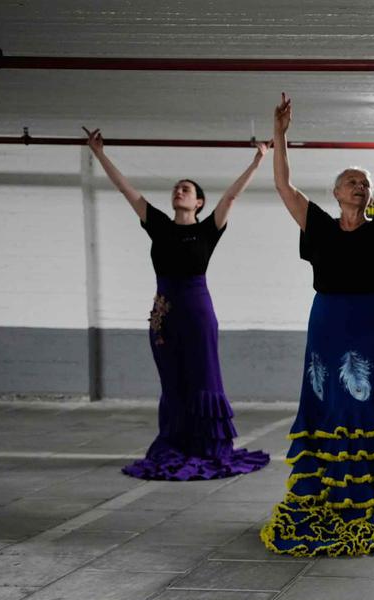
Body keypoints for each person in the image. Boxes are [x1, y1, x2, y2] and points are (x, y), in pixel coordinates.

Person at [259, 93, 374, 556]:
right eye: (350, 182)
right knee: (327, 396)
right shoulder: (319, 226)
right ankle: (328, 490)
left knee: (372, 397)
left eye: (364, 183)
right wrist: (280, 136)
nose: (359, 187)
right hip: (326, 320)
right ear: (336, 192)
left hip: (369, 319)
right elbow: (285, 187)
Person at [84, 127, 270, 481]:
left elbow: (230, 198)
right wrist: (99, 154)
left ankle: (208, 445)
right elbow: (126, 190)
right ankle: (176, 439)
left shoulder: (207, 230)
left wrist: (257, 160)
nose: (179, 191)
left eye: (187, 189)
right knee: (173, 383)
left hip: (198, 312)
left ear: (199, 202)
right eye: (177, 188)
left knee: (203, 378)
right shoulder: (159, 226)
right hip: (164, 315)